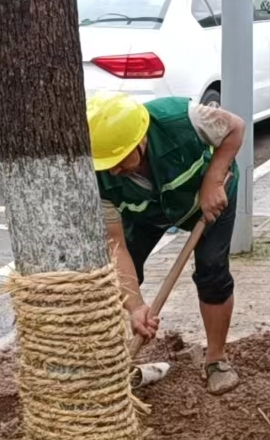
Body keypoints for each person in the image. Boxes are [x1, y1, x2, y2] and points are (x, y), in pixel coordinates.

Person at [86, 91, 246, 394]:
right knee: (111, 282)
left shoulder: (182, 119)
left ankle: (216, 360)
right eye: (107, 165)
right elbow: (114, 244)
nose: (114, 171)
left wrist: (213, 179)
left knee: (212, 270)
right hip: (143, 212)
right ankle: (110, 364)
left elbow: (235, 127)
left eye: (120, 161)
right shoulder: (98, 175)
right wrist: (135, 307)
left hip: (206, 196)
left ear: (141, 140)